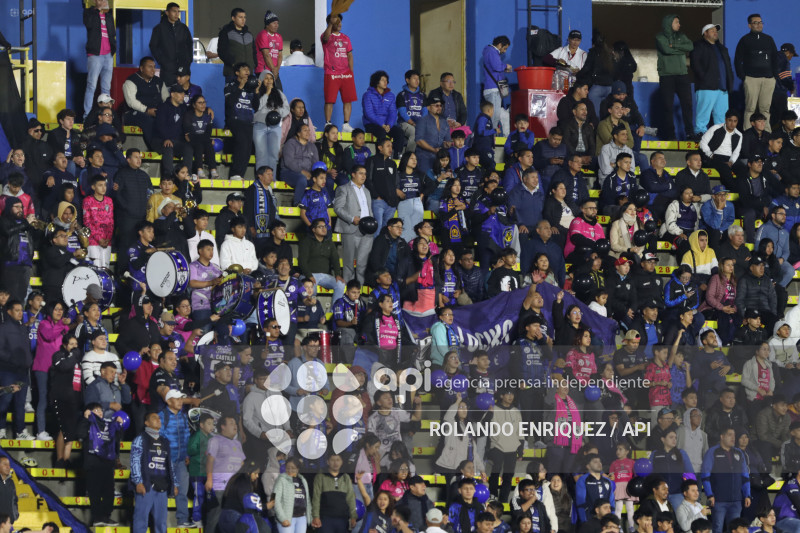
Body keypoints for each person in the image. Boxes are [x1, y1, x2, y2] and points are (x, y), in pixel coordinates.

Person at [131, 411, 178, 533]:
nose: (158, 420)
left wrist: (175, 483)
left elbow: (169, 464)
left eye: (159, 418)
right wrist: (138, 482)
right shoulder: (140, 439)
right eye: (154, 418)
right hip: (146, 485)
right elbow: (135, 461)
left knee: (161, 522)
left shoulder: (165, 441)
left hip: (162, 486)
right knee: (141, 520)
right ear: (146, 422)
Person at [700, 427, 751, 533]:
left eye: (734, 435)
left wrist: (747, 494)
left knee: (734, 529)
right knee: (717, 528)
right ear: (722, 437)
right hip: (718, 500)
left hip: (736, 500)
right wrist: (710, 494)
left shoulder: (738, 452)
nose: (733, 437)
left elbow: (745, 476)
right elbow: (705, 475)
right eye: (729, 435)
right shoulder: (712, 452)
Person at [734, 14, 780, 129]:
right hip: (751, 79)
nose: (759, 25)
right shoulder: (744, 40)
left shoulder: (769, 39)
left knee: (765, 109)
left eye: (760, 22)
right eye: (755, 22)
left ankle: (766, 134)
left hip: (768, 79)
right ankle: (748, 134)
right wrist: (743, 76)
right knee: (750, 108)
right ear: (749, 25)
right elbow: (737, 60)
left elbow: (775, 58)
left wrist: (774, 76)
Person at [204, 415, 246, 533]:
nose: (235, 426)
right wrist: (209, 479)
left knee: (233, 520)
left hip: (235, 489)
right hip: (219, 487)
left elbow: (242, 463)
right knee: (214, 520)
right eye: (231, 423)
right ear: (223, 426)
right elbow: (210, 460)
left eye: (236, 423)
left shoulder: (237, 443)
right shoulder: (215, 440)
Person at [655, 15, 694, 140]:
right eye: (677, 22)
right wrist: (680, 48)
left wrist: (674, 46)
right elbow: (666, 50)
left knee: (687, 105)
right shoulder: (660, 37)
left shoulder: (681, 36)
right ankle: (669, 135)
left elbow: (690, 47)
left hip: (682, 75)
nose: (679, 24)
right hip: (667, 76)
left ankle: (689, 132)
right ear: (669, 23)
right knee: (667, 107)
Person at [691, 24, 734, 136]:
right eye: (712, 31)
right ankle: (700, 132)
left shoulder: (722, 48)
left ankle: (720, 134)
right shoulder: (698, 46)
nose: (715, 32)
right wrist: (704, 78)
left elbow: (728, 67)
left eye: (716, 31)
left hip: (722, 86)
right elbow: (695, 64)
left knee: (721, 114)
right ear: (705, 33)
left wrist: (729, 83)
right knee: (703, 112)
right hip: (706, 86)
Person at [0, 300, 34, 440]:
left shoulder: (23, 328)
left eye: (22, 310)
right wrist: (12, 359)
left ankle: (20, 431)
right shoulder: (3, 328)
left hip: (22, 373)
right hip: (7, 371)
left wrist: (28, 362)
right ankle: (1, 429)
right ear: (9, 311)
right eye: (17, 310)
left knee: (20, 403)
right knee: (5, 400)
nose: (21, 313)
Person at [334, 165, 373, 284]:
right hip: (351, 228)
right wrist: (351, 219)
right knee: (349, 264)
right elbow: (338, 208)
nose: (364, 176)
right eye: (361, 173)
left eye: (365, 174)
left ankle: (359, 293)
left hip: (367, 231)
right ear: (353, 174)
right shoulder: (343, 189)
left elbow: (369, 209)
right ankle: (347, 293)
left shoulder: (367, 191)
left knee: (363, 265)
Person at [122, 57, 167, 149]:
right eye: (150, 67)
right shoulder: (131, 81)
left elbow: (166, 98)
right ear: (142, 68)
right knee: (147, 119)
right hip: (134, 113)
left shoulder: (159, 82)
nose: (153, 70)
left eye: (154, 67)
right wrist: (146, 110)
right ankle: (155, 147)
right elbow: (131, 102)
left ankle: (171, 145)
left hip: (156, 111)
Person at [224, 62, 259, 180]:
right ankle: (234, 173)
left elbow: (256, 106)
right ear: (237, 73)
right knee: (242, 143)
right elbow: (229, 102)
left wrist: (257, 91)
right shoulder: (230, 85)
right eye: (244, 69)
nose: (247, 71)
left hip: (248, 121)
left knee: (248, 147)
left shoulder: (251, 86)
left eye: (248, 69)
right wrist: (240, 86)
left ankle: (240, 175)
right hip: (235, 120)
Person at [298, 219, 346, 304]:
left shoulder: (329, 242)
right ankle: (311, 311)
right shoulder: (306, 241)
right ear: (314, 229)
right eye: (320, 227)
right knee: (312, 289)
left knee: (340, 285)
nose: (324, 229)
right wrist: (309, 275)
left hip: (325, 276)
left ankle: (334, 312)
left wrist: (338, 274)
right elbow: (302, 261)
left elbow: (335, 259)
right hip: (309, 274)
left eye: (325, 226)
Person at [321, 12, 355, 130]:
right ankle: (328, 123)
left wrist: (350, 72)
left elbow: (350, 56)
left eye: (340, 21)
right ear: (331, 23)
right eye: (337, 21)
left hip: (346, 74)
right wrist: (330, 23)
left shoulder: (346, 38)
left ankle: (346, 124)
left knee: (348, 99)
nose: (339, 23)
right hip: (331, 73)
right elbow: (325, 38)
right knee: (329, 100)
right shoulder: (326, 36)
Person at [83, 0, 116, 119]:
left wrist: (113, 48)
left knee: (106, 87)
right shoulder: (89, 13)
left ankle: (106, 115)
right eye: (100, 0)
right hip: (95, 54)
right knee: (91, 85)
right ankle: (87, 115)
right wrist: (97, 10)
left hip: (108, 55)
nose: (102, 2)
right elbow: (89, 25)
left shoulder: (108, 14)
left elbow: (112, 32)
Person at [311, 453, 358, 533]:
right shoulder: (320, 476)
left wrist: (353, 516)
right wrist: (316, 516)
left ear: (342, 462)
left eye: (338, 460)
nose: (335, 463)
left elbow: (351, 498)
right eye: (332, 460)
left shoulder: (345, 477)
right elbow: (316, 498)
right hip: (325, 519)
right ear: (327, 462)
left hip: (343, 519)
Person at [363, 70, 404, 158]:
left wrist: (389, 124)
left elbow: (393, 112)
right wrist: (382, 125)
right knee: (381, 133)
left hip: (387, 125)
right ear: (376, 82)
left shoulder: (391, 95)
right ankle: (380, 157)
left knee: (399, 132)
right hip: (372, 124)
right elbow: (369, 113)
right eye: (382, 80)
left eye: (386, 80)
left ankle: (396, 156)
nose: (385, 82)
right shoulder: (368, 95)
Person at [149, 2, 192, 86]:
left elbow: (189, 46)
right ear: (167, 12)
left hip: (183, 69)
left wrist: (188, 62)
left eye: (178, 11)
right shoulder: (159, 29)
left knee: (183, 96)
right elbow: (153, 46)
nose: (177, 14)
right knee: (167, 95)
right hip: (167, 70)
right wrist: (163, 61)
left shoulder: (184, 28)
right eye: (174, 11)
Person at [253, 72, 289, 172]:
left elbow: (286, 108)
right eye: (266, 78)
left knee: (274, 155)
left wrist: (278, 112)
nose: (269, 81)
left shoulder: (279, 93)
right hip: (260, 126)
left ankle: (271, 180)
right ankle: (261, 180)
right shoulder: (256, 92)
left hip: (275, 127)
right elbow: (257, 106)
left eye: (271, 78)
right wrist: (267, 94)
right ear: (261, 80)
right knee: (261, 155)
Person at [699, 111, 743, 190]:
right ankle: (734, 190)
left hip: (730, 158)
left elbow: (737, 151)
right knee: (725, 169)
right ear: (726, 119)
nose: (732, 123)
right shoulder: (715, 128)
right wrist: (710, 155)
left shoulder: (739, 134)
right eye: (730, 120)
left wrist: (732, 161)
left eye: (735, 121)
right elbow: (703, 142)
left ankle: (744, 190)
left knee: (743, 169)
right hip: (714, 156)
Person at [415, 95, 453, 175]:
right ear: (428, 107)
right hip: (424, 156)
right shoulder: (422, 120)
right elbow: (419, 140)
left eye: (440, 105)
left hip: (439, 158)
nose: (439, 107)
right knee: (426, 180)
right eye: (436, 105)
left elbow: (447, 140)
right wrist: (433, 150)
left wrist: (447, 144)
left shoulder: (444, 122)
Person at [482, 35, 512, 136]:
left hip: (493, 89)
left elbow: (495, 68)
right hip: (493, 89)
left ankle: (504, 137)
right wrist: (505, 66)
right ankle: (492, 137)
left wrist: (503, 70)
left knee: (503, 115)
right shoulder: (491, 51)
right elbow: (496, 66)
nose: (504, 51)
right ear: (499, 45)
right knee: (494, 116)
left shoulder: (490, 52)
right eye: (505, 48)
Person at [218, 8, 257, 80]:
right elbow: (221, 51)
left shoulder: (249, 34)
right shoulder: (226, 32)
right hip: (232, 74)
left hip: (249, 74)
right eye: (240, 17)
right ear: (233, 18)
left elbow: (254, 52)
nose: (243, 20)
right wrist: (233, 64)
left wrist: (254, 64)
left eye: (244, 17)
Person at [396, 70, 427, 154]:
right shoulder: (401, 95)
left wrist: (421, 124)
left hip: (419, 123)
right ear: (407, 80)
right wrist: (413, 123)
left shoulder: (422, 95)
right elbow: (402, 113)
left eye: (418, 79)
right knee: (414, 132)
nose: (417, 81)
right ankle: (409, 156)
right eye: (414, 78)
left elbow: (425, 111)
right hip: (405, 123)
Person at [561, 102, 596, 169]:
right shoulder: (567, 126)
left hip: (586, 155)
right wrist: (578, 158)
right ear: (574, 112)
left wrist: (589, 157)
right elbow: (566, 143)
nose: (585, 112)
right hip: (572, 155)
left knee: (598, 161)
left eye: (586, 109)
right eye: (582, 109)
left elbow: (592, 145)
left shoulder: (589, 127)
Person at [255, 10, 282, 82]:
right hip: (263, 70)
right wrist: (274, 69)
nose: (277, 25)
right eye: (274, 23)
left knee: (278, 92)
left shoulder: (279, 37)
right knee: (265, 92)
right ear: (267, 25)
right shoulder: (263, 35)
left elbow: (280, 55)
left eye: (277, 23)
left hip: (274, 71)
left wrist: (277, 69)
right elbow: (266, 54)